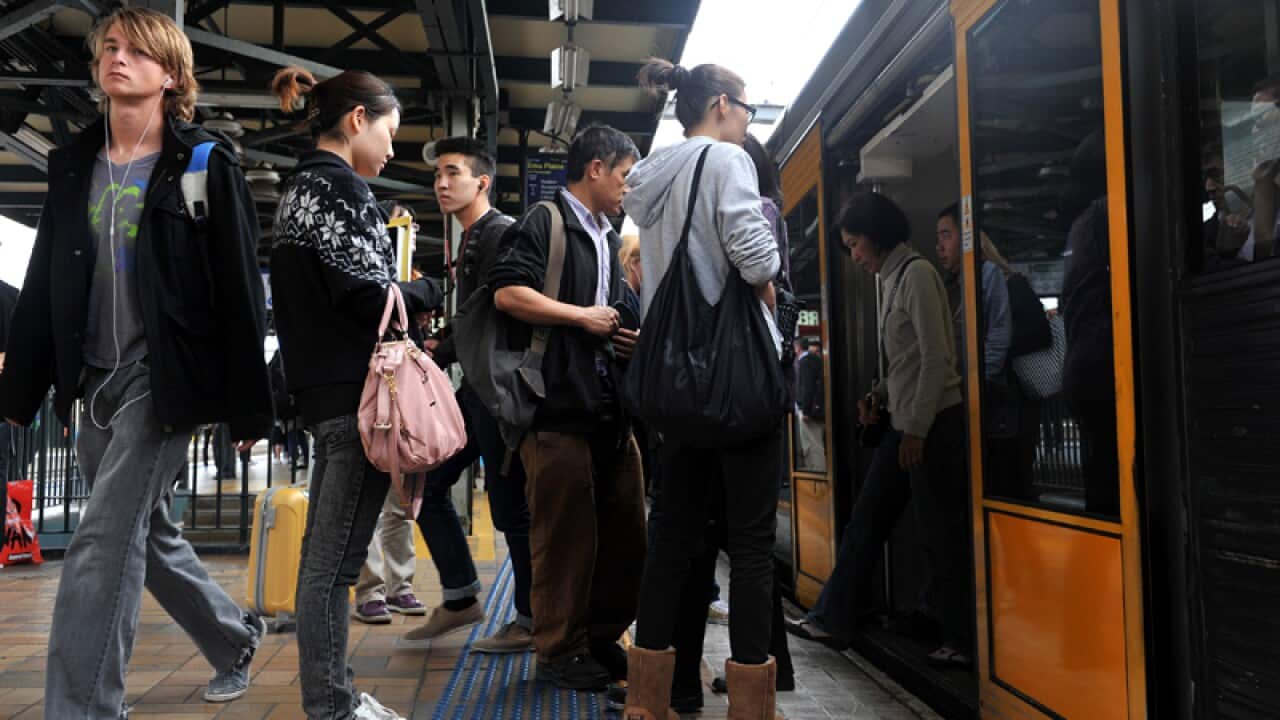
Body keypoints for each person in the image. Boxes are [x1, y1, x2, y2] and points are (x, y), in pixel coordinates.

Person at [0, 8, 274, 715]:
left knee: (99, 539)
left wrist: (249, 406)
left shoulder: (203, 164)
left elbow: (240, 291)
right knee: (141, 533)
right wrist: (22, 391)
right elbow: (45, 284)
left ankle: (84, 706)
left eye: (137, 51)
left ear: (172, 74)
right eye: (110, 48)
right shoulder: (73, 165)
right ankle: (233, 638)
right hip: (93, 378)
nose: (118, 58)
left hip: (164, 379)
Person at [269, 64, 443, 720]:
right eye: (390, 133)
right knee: (331, 572)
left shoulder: (297, 189)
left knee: (328, 565)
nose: (393, 150)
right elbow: (372, 296)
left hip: (325, 394)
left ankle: (335, 699)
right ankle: (333, 708)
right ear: (357, 121)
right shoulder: (339, 189)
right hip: (356, 401)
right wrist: (429, 290)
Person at [621, 58, 786, 720]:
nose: (747, 124)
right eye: (746, 111)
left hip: (673, 385)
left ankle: (646, 703)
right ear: (721, 104)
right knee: (748, 547)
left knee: (669, 539)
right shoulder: (725, 162)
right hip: (734, 383)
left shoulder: (651, 176)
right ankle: (750, 709)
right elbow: (758, 260)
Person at [488, 124, 647, 690]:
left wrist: (626, 333)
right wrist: (581, 316)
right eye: (626, 174)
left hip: (608, 407)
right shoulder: (543, 222)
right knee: (564, 536)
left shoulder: (608, 235)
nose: (630, 186)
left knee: (625, 529)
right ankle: (558, 649)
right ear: (596, 169)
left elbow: (619, 310)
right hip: (553, 408)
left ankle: (601, 638)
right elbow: (508, 293)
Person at [792, 194, 971, 667]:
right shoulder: (890, 281)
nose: (853, 255)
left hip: (931, 425)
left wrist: (914, 429)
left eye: (854, 244)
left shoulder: (917, 276)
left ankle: (960, 638)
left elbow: (937, 360)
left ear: (876, 236)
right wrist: (879, 394)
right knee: (870, 518)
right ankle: (834, 616)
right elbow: (906, 364)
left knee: (940, 532)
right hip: (906, 420)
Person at [399, 137, 535, 654]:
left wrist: (446, 346)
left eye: (452, 173)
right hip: (475, 392)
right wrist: (440, 346)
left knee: (511, 511)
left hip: (497, 396)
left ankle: (529, 619)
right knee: (428, 486)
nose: (441, 182)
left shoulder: (500, 233)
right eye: (437, 175)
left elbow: (506, 307)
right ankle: (460, 598)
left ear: (481, 182)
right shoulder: (471, 239)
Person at [350, 205, 429, 626]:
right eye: (401, 228)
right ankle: (370, 590)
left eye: (410, 229)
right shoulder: (361, 275)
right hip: (364, 395)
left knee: (400, 499)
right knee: (362, 498)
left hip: (399, 398)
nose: (409, 236)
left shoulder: (406, 280)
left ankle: (400, 585)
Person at [936, 204, 1017, 497]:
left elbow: (999, 330)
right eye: (938, 238)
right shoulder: (950, 284)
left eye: (946, 235)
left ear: (967, 236)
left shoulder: (987, 273)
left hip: (983, 396)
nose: (939, 246)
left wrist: (977, 380)